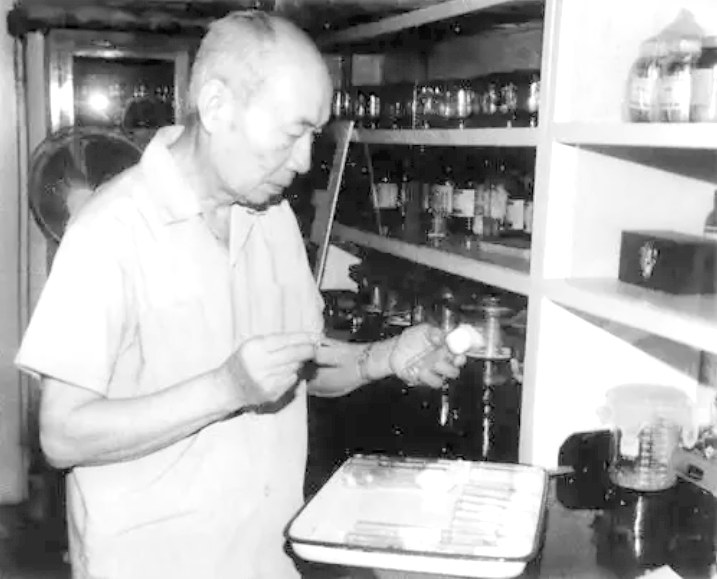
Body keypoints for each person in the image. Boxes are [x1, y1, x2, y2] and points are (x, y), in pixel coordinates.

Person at [15, 11, 466, 579]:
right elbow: (61, 434)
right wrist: (225, 388)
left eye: (314, 136)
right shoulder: (108, 233)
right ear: (216, 106)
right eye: (291, 133)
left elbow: (292, 367)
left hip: (267, 562)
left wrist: (384, 357)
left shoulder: (271, 218)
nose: (304, 161)